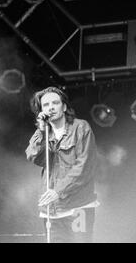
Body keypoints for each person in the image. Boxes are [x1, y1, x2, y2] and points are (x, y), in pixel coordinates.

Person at [25, 87, 99, 243]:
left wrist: (58, 191)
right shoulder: (45, 132)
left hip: (78, 206)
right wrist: (41, 129)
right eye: (46, 105)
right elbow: (32, 155)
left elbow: (84, 166)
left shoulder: (80, 127)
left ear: (64, 107)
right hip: (51, 210)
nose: (50, 107)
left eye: (55, 103)